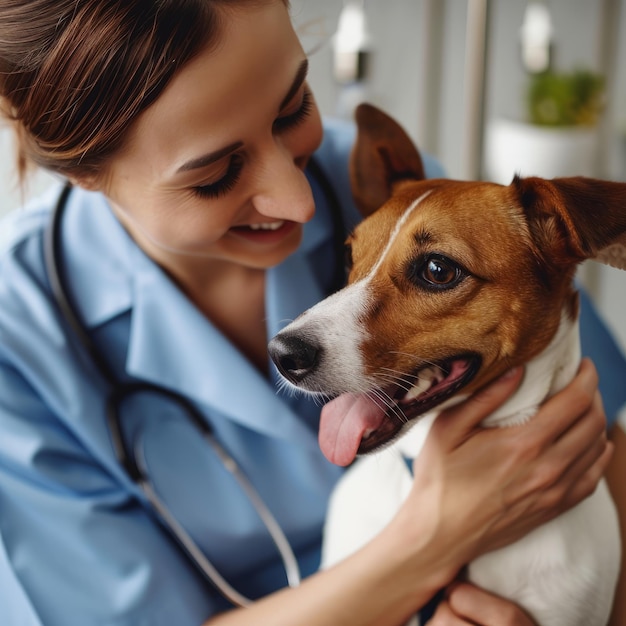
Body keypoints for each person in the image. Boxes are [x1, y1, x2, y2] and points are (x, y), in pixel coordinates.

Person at [0, 1, 624, 625]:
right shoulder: (17, 337)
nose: (299, 201)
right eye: (215, 174)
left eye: (294, 106)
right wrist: (434, 537)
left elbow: (603, 438)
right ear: (87, 173)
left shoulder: (398, 188)